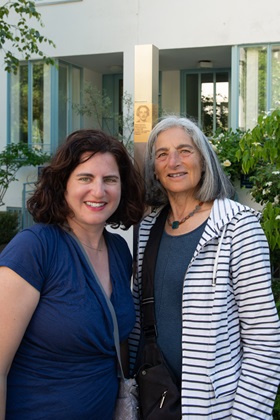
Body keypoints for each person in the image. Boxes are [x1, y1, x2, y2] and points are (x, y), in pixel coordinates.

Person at [129, 116, 280, 419]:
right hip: (154, 399)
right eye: (162, 154)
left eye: (185, 150)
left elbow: (263, 340)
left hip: (216, 408)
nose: (174, 162)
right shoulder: (147, 228)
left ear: (203, 159)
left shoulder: (238, 227)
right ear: (155, 171)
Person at [0, 129, 145, 419]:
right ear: (62, 184)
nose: (99, 191)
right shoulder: (35, 248)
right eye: (85, 178)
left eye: (110, 180)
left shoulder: (118, 251)